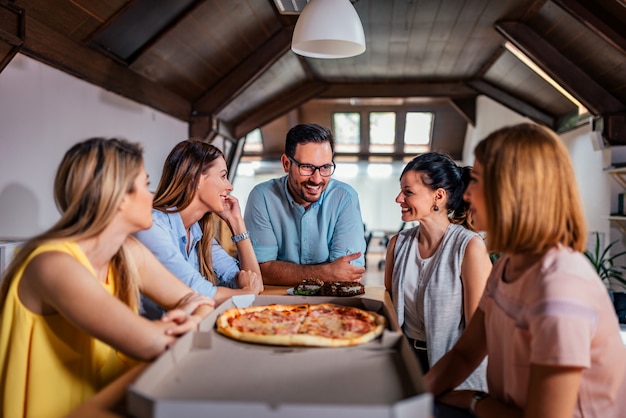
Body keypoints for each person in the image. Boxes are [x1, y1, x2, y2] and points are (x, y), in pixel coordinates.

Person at [0, 137, 215, 418]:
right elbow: (153, 342)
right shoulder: (51, 264)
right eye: (145, 184)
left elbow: (198, 300)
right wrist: (190, 321)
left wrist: (192, 317)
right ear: (120, 197)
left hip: (105, 403)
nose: (152, 196)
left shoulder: (127, 252)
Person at [425, 123, 626, 418]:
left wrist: (475, 400)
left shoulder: (561, 287)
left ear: (511, 192)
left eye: (476, 181)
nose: (466, 195)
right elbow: (465, 354)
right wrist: (410, 396)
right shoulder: (508, 264)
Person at [384, 152, 491, 390]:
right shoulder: (397, 244)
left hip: (454, 369)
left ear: (439, 196)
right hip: (405, 361)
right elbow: (389, 310)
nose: (398, 198)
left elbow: (478, 334)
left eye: (408, 192)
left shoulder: (469, 247)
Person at [135, 140, 263, 309]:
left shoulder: (200, 233)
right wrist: (247, 292)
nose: (229, 186)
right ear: (196, 179)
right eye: (223, 176)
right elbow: (200, 293)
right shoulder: (154, 227)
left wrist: (236, 222)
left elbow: (255, 282)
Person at [244, 123, 366, 286]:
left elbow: (347, 273)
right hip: (276, 304)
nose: (317, 179)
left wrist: (282, 271)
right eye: (307, 167)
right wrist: (327, 273)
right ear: (286, 164)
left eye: (325, 167)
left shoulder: (345, 197)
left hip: (330, 303)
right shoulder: (262, 196)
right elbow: (260, 271)